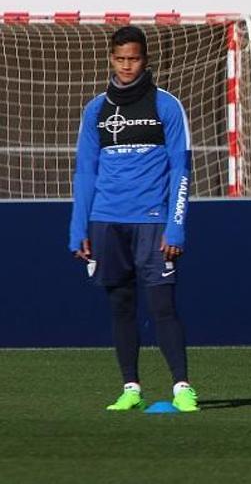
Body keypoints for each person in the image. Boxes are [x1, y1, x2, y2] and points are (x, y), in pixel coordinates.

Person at [68, 26, 198, 412]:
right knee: (121, 306)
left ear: (145, 59)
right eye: (121, 59)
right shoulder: (96, 110)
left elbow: (181, 170)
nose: (127, 66)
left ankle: (182, 387)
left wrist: (176, 225)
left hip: (154, 222)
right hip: (106, 222)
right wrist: (79, 229)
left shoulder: (166, 106)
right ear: (111, 58)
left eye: (134, 58)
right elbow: (85, 172)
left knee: (162, 307)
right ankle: (131, 387)